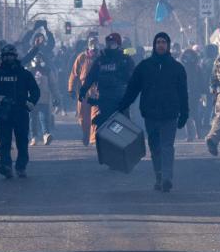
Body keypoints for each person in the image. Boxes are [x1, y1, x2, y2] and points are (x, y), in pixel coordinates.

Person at [115, 32, 188, 192]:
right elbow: (133, 89)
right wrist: (123, 105)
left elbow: (183, 93)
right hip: (150, 114)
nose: (161, 45)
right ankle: (159, 176)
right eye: (158, 42)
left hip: (170, 114)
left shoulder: (177, 68)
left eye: (164, 42)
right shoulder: (144, 66)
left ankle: (167, 177)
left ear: (168, 45)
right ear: (155, 45)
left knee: (167, 146)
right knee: (155, 147)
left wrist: (185, 113)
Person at [0, 44, 40, 179]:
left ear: (15, 57)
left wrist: (31, 102)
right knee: (4, 142)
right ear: (2, 58)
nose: (9, 58)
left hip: (20, 112)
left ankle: (21, 167)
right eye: (6, 56)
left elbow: (35, 90)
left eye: (11, 56)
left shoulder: (24, 74)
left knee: (22, 142)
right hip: (4, 113)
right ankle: (6, 166)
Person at [80, 32, 136, 161]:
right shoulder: (101, 59)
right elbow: (91, 76)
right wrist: (83, 90)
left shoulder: (125, 59)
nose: (111, 45)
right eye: (109, 43)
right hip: (105, 99)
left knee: (122, 125)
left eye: (113, 43)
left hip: (121, 98)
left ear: (118, 44)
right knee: (106, 126)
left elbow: (133, 78)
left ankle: (125, 153)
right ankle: (110, 154)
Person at [68, 36, 99, 145]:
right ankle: (86, 134)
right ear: (88, 44)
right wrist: (71, 89)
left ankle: (93, 137)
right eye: (91, 43)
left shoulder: (101, 57)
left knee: (95, 115)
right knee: (83, 116)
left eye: (95, 42)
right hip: (83, 90)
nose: (94, 45)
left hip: (96, 90)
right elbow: (74, 74)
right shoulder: (81, 57)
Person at [179, 47, 205, 141]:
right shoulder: (185, 66)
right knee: (192, 115)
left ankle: (194, 135)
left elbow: (201, 81)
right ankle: (195, 134)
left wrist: (202, 92)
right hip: (188, 93)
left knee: (192, 114)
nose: (189, 58)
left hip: (193, 93)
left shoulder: (196, 67)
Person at [29, 54, 56, 145]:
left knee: (43, 118)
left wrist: (56, 96)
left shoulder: (47, 70)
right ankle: (34, 137)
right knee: (32, 119)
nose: (38, 60)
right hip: (31, 99)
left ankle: (46, 135)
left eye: (39, 58)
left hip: (43, 98)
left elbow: (53, 84)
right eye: (36, 58)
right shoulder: (28, 70)